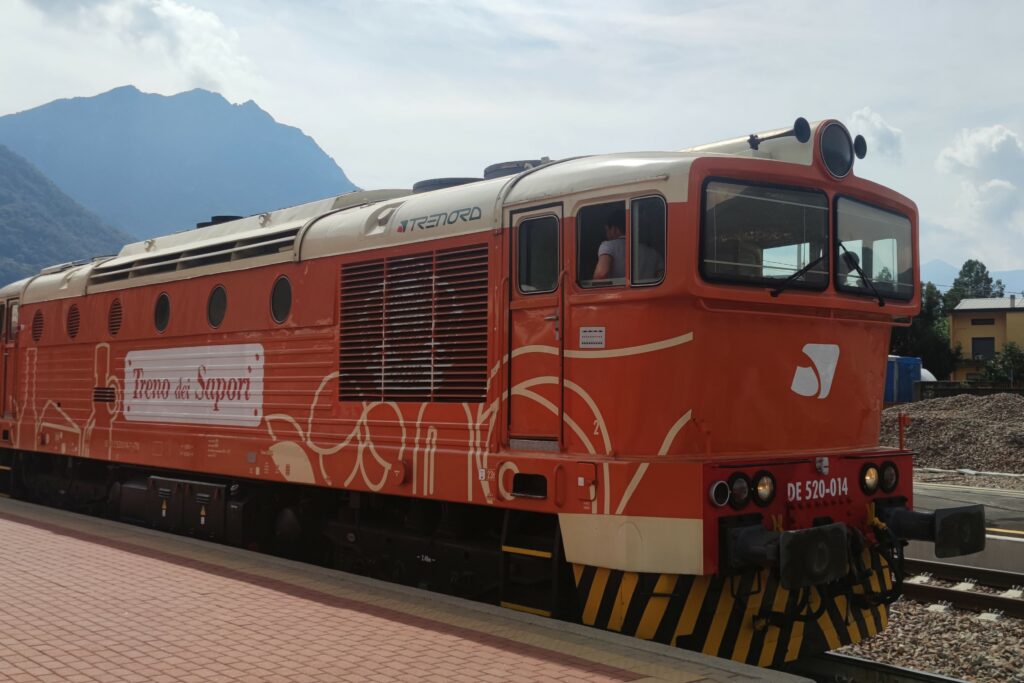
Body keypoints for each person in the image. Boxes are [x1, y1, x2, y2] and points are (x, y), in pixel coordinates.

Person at [592, 208, 664, 282]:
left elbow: (601, 274)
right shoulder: (653, 253)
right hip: (648, 293)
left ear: (614, 229)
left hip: (620, 293)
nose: (606, 234)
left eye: (607, 230)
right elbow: (660, 276)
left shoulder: (608, 246)